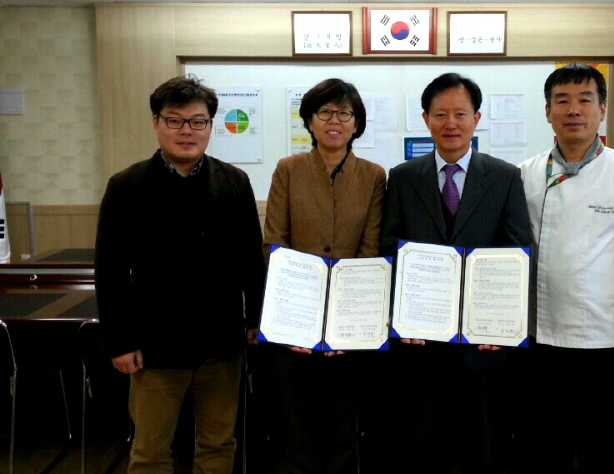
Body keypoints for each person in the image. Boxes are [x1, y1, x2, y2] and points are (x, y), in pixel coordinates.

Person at [94, 76, 265, 474]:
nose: (187, 131)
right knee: (151, 451)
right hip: (155, 345)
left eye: (198, 121)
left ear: (210, 126)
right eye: (175, 120)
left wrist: (256, 320)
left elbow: (250, 262)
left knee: (218, 444)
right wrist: (119, 341)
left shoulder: (234, 182)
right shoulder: (126, 186)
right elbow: (111, 270)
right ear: (156, 123)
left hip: (221, 342)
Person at [380, 72, 532, 474]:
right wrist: (397, 314)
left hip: (481, 342)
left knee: (481, 444)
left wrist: (505, 326)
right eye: (441, 113)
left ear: (477, 118)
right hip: (419, 340)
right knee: (419, 442)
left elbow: (517, 252)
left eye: (460, 114)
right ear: (426, 118)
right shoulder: (401, 177)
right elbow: (388, 251)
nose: (451, 123)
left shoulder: (503, 176)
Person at [518, 63, 614, 473]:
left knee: (600, 441)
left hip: (602, 335)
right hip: (538, 333)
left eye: (585, 100)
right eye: (562, 101)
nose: (573, 110)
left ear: (602, 109)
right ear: (548, 112)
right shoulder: (526, 173)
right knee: (546, 441)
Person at [261, 78, 385, 473]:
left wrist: (342, 322)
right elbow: (274, 243)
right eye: (325, 112)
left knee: (342, 423)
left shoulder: (373, 175)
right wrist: (300, 320)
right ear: (310, 121)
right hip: (294, 321)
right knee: (295, 424)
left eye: (344, 113)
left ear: (356, 123)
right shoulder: (288, 170)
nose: (335, 120)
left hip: (351, 325)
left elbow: (372, 249)